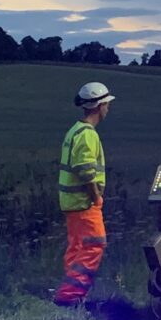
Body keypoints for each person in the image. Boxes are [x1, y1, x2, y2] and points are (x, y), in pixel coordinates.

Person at [55, 81, 115, 306]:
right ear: (100, 106)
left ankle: (70, 296)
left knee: (77, 247)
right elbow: (85, 169)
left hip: (72, 202)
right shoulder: (88, 134)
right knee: (94, 245)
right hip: (85, 202)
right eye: (107, 104)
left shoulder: (74, 130)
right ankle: (70, 296)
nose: (108, 109)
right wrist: (96, 196)